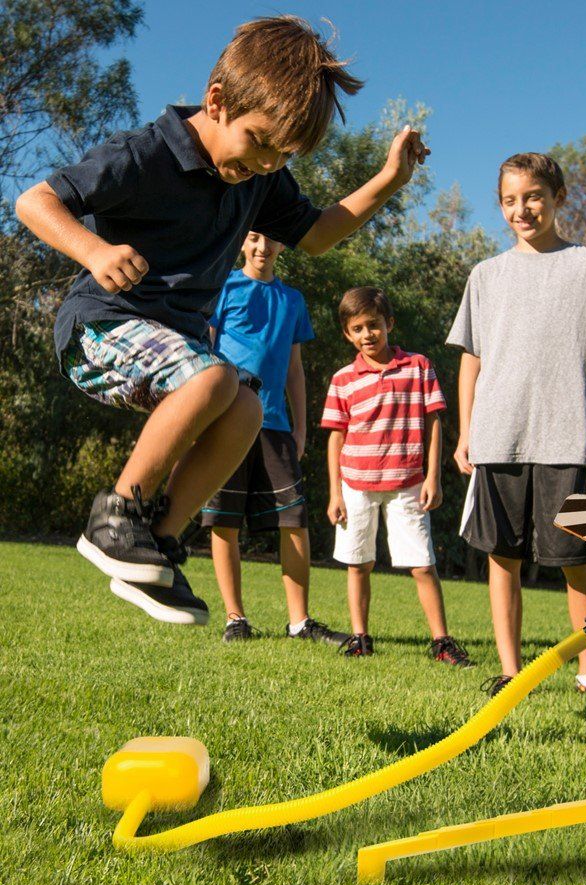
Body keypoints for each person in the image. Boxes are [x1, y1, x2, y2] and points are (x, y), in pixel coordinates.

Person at [14, 16, 428, 625]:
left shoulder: (261, 180)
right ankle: (115, 517)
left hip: (170, 348)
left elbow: (316, 236)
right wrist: (95, 252)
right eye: (260, 141)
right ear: (218, 102)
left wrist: (390, 180)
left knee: (245, 407)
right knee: (212, 380)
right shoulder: (146, 153)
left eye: (281, 155)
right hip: (97, 328)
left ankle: (157, 543)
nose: (265, 164)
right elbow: (36, 201)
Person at [447, 152, 586, 700]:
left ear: (557, 197)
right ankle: (509, 670)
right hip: (498, 436)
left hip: (567, 435)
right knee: (504, 558)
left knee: (576, 561)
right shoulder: (486, 275)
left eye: (532, 197)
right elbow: (470, 359)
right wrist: (464, 433)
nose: (521, 209)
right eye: (509, 200)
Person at [200, 231, 346, 644]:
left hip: (277, 425)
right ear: (243, 244)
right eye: (254, 238)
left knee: (294, 519)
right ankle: (235, 619)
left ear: (283, 247)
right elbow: (205, 350)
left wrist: (301, 426)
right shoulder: (224, 287)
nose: (263, 246)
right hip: (226, 418)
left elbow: (295, 370)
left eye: (272, 240)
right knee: (224, 520)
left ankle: (300, 622)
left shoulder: (292, 300)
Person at [322, 287, 472, 666]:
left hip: (408, 484)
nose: (367, 335)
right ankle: (360, 637)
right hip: (355, 484)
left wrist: (432, 476)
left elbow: (433, 421)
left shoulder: (418, 367)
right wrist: (334, 494)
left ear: (389, 324)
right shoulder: (343, 379)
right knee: (359, 563)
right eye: (357, 329)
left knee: (422, 564)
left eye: (373, 325)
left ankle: (441, 642)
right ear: (347, 334)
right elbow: (336, 437)